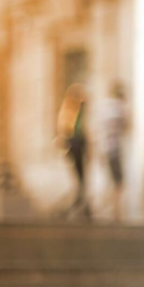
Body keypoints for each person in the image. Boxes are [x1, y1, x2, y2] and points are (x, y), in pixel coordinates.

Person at [57, 82, 91, 220]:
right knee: (79, 178)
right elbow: (67, 130)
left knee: (81, 179)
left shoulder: (76, 110)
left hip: (77, 145)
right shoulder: (71, 110)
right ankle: (80, 205)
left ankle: (82, 205)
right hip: (75, 145)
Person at [98, 80, 129, 221]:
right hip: (114, 149)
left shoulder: (104, 107)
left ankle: (111, 209)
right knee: (118, 182)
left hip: (104, 148)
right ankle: (115, 211)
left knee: (110, 180)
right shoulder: (118, 108)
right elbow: (126, 125)